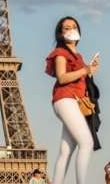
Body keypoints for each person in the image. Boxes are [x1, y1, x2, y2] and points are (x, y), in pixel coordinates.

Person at [45, 16, 100, 184]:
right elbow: (62, 78)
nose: (71, 30)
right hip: (65, 99)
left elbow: (80, 78)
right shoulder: (61, 53)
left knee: (67, 149)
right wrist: (85, 70)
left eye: (74, 26)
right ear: (60, 34)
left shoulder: (78, 56)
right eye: (66, 28)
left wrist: (90, 70)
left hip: (72, 101)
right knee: (86, 143)